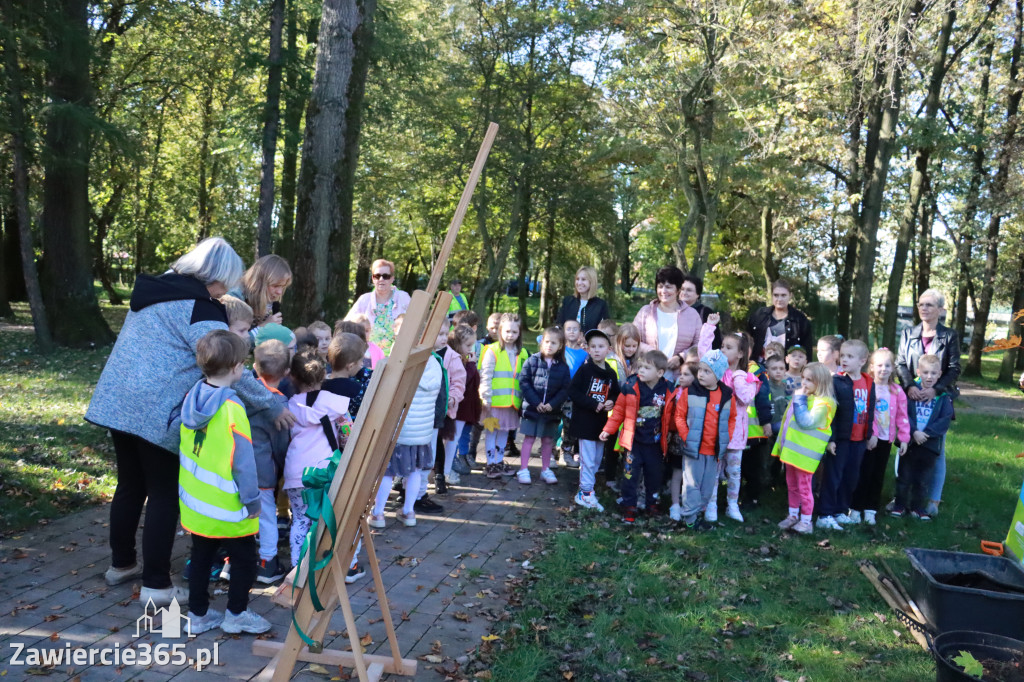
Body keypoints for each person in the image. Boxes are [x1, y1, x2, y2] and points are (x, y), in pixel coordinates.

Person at [86, 237, 291, 607]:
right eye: (223, 282)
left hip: (120, 401)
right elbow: (231, 363)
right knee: (164, 493)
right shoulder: (200, 307)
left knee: (130, 485)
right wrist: (270, 405)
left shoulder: (154, 293)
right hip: (155, 410)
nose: (225, 289)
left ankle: (121, 564)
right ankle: (156, 585)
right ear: (212, 276)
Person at [178, 330, 271, 635]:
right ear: (235, 368)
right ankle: (236, 614)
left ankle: (198, 614)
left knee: (201, 557)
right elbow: (243, 463)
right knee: (245, 559)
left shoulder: (192, 397)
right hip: (230, 506)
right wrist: (252, 500)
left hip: (196, 502)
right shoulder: (232, 408)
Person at [895, 289, 961, 517]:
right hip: (912, 398)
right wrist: (909, 386)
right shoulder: (908, 333)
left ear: (940, 310)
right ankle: (900, 498)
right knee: (905, 445)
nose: (923, 308)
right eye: (921, 304)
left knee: (936, 450)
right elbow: (901, 363)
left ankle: (932, 499)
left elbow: (954, 368)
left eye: (929, 305)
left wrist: (936, 389)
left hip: (938, 399)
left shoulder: (949, 336)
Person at [283, 350, 351, 567]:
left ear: (292, 377)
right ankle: (325, 566)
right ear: (323, 376)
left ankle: (297, 569)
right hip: (325, 472)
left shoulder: (289, 405)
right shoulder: (336, 403)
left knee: (300, 520)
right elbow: (347, 434)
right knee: (326, 519)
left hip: (296, 473)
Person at [369, 340, 444, 529]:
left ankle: (378, 513)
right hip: (422, 432)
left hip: (399, 431)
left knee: (387, 471)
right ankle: (409, 511)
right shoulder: (434, 365)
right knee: (415, 471)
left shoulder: (402, 366)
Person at [601, 350, 672, 524]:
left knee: (654, 476)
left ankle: (652, 503)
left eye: (647, 368)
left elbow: (672, 415)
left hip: (655, 444)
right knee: (630, 476)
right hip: (634, 443)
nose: (641, 370)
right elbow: (618, 411)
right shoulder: (630, 385)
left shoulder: (668, 388)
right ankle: (629, 506)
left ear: (660, 373)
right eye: (640, 366)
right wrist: (608, 430)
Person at [700, 329, 758, 523]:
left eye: (729, 347)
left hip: (736, 434)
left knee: (734, 473)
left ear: (741, 354)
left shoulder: (745, 377)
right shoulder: (717, 373)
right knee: (714, 472)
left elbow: (745, 398)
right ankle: (711, 505)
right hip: (716, 432)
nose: (723, 350)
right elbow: (704, 353)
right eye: (722, 346)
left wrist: (737, 377)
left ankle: (732, 505)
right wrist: (708, 328)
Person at [673, 350, 736, 531]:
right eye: (700, 370)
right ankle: (690, 518)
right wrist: (687, 436)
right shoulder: (690, 392)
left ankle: (698, 513)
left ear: (718, 374)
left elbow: (732, 418)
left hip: (714, 451)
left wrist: (727, 437)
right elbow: (679, 416)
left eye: (707, 371)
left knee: (708, 487)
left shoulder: (726, 396)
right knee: (692, 485)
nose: (701, 374)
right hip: (694, 449)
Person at [773, 362, 837, 535]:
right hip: (792, 452)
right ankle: (793, 515)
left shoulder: (825, 404)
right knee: (792, 485)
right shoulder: (805, 397)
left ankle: (806, 521)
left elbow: (806, 421)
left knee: (804, 487)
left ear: (821, 382)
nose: (804, 383)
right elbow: (787, 422)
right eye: (803, 378)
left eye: (809, 380)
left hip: (805, 457)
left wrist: (799, 400)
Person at [817, 339, 875, 531]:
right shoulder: (836, 382)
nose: (844, 360)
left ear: (862, 360)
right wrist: (831, 439)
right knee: (833, 476)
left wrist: (870, 434)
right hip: (841, 439)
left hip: (859, 441)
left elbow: (871, 409)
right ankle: (825, 513)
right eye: (842, 355)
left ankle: (841, 510)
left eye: (850, 356)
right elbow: (830, 413)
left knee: (851, 477)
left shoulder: (868, 383)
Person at [850, 348, 910, 526]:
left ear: (893, 368)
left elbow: (902, 416)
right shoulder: (867, 386)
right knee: (863, 473)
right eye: (879, 365)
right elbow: (865, 413)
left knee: (878, 475)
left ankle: (870, 509)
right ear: (872, 367)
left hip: (886, 440)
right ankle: (855, 508)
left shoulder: (897, 391)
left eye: (887, 365)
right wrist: (872, 434)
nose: (883, 369)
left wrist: (904, 438)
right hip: (868, 439)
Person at [249, 339, 291, 585]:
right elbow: (281, 444)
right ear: (286, 372)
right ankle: (267, 562)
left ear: (254, 366)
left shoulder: (241, 391)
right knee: (266, 516)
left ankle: (231, 561)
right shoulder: (279, 405)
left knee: (240, 515)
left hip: (234, 466)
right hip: (263, 471)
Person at [893, 354, 954, 519]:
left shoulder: (943, 396)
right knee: (904, 476)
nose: (929, 377)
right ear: (918, 371)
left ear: (940, 374)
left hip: (929, 444)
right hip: (910, 442)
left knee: (923, 479)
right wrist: (914, 431)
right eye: (925, 372)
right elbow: (903, 413)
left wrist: (927, 434)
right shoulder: (910, 392)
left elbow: (945, 419)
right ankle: (899, 505)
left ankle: (917, 508)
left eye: (933, 373)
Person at [569, 329, 620, 511]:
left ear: (609, 349)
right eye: (593, 347)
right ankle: (585, 493)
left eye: (601, 346)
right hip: (584, 423)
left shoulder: (610, 373)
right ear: (588, 349)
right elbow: (573, 392)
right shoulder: (585, 369)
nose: (597, 350)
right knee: (588, 460)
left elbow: (616, 392)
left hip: (601, 425)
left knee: (597, 460)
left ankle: (588, 490)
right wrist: (593, 404)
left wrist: (611, 401)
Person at [518, 327, 572, 485]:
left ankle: (545, 469)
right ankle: (523, 469)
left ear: (560, 346)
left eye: (553, 343)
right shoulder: (532, 361)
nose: (549, 345)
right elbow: (524, 382)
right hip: (531, 409)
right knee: (529, 438)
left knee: (548, 440)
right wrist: (537, 403)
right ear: (541, 342)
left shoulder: (563, 367)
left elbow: (565, 389)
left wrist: (551, 404)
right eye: (547, 341)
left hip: (551, 411)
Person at [479, 313, 527, 479]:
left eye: (514, 332)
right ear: (500, 331)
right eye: (507, 331)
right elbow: (486, 375)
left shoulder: (522, 353)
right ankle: (490, 464)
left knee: (504, 433)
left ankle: (499, 461)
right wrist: (485, 397)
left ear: (519, 333)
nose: (510, 335)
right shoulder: (492, 351)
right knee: (492, 433)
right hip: (492, 404)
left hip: (511, 404)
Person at [632, 266, 702, 376]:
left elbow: (699, 345)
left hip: (678, 378)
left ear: (678, 289)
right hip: (647, 375)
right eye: (660, 287)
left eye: (669, 287)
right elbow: (633, 340)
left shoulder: (692, 315)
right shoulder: (645, 312)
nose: (663, 291)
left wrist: (681, 357)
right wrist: (654, 355)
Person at [346, 259, 411, 354]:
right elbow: (347, 325)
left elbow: (416, 322)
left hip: (398, 355)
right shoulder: (364, 300)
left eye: (386, 276)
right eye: (377, 276)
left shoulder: (404, 297)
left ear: (392, 278)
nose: (381, 279)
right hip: (369, 356)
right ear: (373, 278)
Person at [441, 325, 477, 486]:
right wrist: (471, 365)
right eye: (468, 345)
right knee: (450, 440)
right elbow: (464, 380)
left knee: (452, 440)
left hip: (464, 406)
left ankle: (445, 470)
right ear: (457, 343)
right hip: (457, 407)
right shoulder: (457, 359)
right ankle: (445, 471)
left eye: (472, 345)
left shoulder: (463, 358)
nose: (471, 349)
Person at [746, 278, 814, 361]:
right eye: (776, 295)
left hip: (786, 370)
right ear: (771, 295)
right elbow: (747, 342)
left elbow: (807, 351)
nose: (779, 299)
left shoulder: (800, 320)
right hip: (758, 368)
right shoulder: (760, 315)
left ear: (790, 295)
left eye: (783, 295)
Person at [666, 362, 697, 521]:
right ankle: (674, 504)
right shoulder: (675, 393)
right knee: (677, 472)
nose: (681, 377)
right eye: (681, 374)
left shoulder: (699, 394)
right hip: (678, 441)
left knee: (691, 475)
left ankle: (689, 504)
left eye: (686, 374)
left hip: (695, 441)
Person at [323, 332, 371, 420]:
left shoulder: (320, 385)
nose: (362, 364)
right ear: (351, 366)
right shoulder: (358, 390)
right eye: (361, 360)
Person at [241, 254, 292, 334]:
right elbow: (235, 342)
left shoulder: (268, 303)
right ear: (259, 282)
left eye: (282, 286)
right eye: (275, 286)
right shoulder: (237, 299)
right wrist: (264, 327)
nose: (280, 292)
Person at [556, 265, 610, 333]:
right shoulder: (567, 301)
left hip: (590, 342)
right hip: (568, 342)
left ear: (591, 282)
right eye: (577, 279)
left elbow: (606, 329)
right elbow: (559, 325)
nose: (579, 283)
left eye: (583, 279)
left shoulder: (600, 305)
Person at [681, 274, 721, 350]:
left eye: (689, 290)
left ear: (698, 294)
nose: (684, 292)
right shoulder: (673, 310)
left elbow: (715, 341)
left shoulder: (706, 312)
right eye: (682, 289)